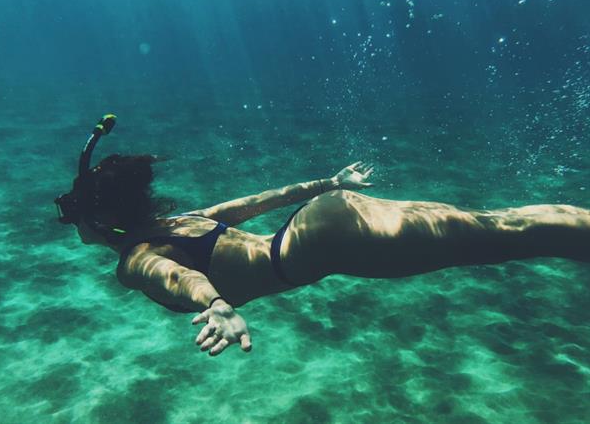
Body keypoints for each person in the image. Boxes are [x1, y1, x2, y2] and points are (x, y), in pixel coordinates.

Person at [56, 116, 590, 357]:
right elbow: (256, 203)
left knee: (502, 236)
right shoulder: (179, 222)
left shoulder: (137, 257)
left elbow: (174, 277)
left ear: (101, 221)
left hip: (322, 243)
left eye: (75, 217)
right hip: (322, 219)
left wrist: (215, 303)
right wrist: (331, 184)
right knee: (501, 227)